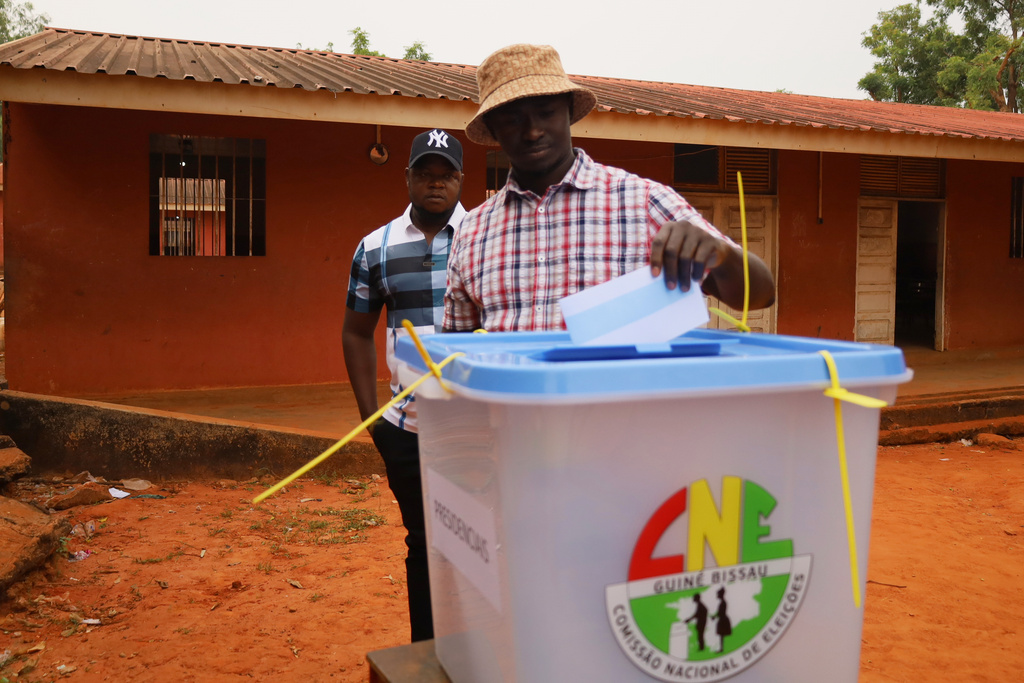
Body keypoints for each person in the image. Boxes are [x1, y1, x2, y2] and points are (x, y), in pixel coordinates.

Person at [444, 44, 774, 333]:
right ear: (492, 129)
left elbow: (761, 294)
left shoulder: (644, 203)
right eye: (513, 120)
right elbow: (456, 353)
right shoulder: (472, 231)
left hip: (622, 404)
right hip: (509, 405)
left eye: (546, 113)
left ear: (569, 112)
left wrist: (722, 253)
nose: (532, 132)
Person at [342, 128, 466, 642]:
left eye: (447, 175)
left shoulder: (485, 236)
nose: (436, 184)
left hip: (476, 424)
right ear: (408, 177)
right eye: (425, 173)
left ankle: (482, 653)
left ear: (462, 180)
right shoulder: (376, 247)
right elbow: (356, 332)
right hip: (408, 428)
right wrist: (375, 421)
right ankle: (428, 655)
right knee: (422, 542)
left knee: (480, 541)